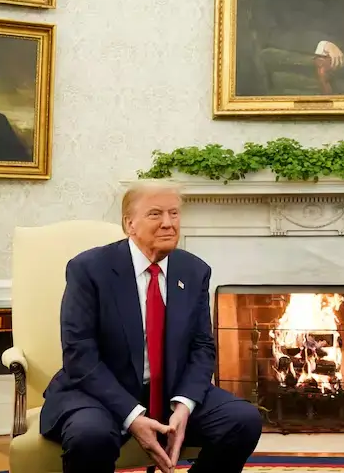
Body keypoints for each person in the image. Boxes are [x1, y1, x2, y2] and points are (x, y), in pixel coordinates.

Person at [40, 182, 262, 473]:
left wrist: (184, 404)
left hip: (169, 391)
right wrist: (132, 416)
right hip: (98, 393)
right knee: (89, 436)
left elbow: (202, 346)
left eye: (174, 213)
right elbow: (79, 354)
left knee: (243, 420)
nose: (168, 224)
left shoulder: (194, 270)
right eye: (155, 214)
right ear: (129, 224)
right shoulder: (89, 269)